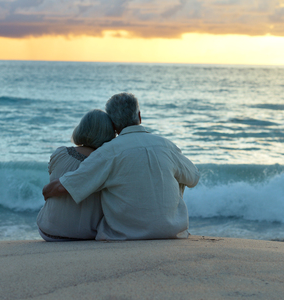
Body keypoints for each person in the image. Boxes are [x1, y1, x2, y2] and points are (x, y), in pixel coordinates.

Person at [42, 93, 200, 240]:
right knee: (176, 173)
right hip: (173, 233)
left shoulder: (107, 152)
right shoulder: (167, 145)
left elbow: (70, 185)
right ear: (139, 116)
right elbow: (193, 178)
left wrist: (47, 191)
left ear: (112, 125)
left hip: (125, 235)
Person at [37, 109, 116, 241]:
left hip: (47, 230)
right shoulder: (107, 163)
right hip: (86, 235)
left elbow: (52, 179)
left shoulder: (60, 153)